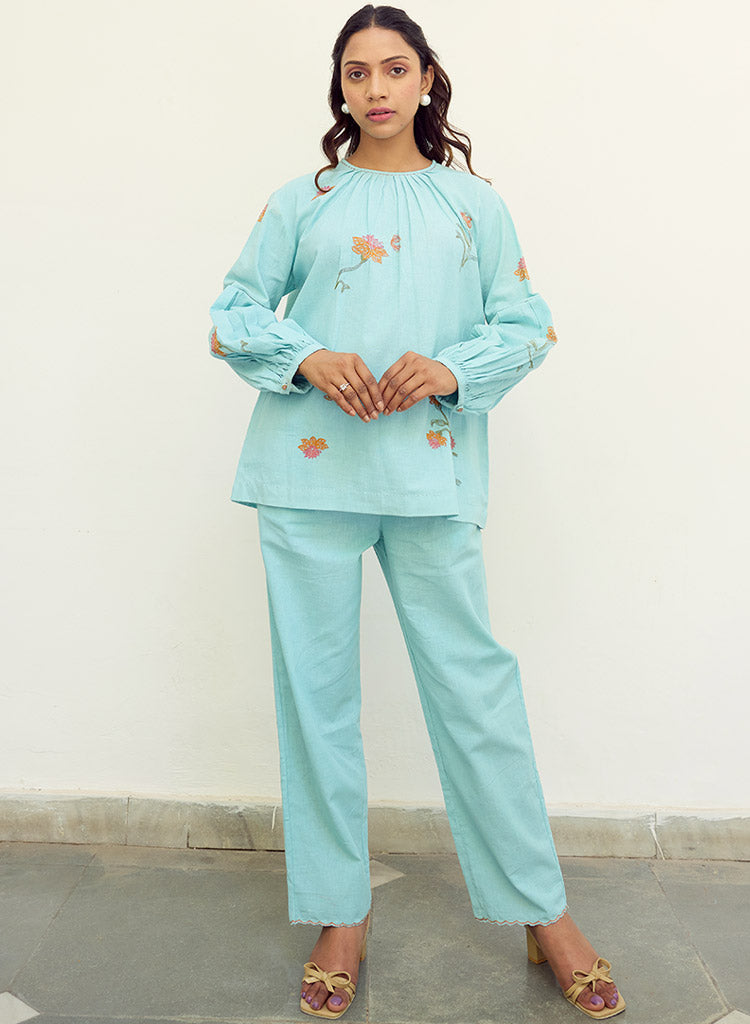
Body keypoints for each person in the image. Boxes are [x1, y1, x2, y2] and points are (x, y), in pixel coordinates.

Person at [208, 5, 625, 1020]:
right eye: (357, 73)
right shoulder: (300, 201)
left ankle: (543, 908)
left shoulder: (473, 206)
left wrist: (451, 368)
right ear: (341, 89)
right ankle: (340, 914)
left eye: (395, 69)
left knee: (475, 687)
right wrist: (307, 354)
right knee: (317, 697)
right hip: (305, 478)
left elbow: (526, 325)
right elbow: (231, 314)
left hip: (430, 474)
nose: (377, 88)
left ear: (428, 78)